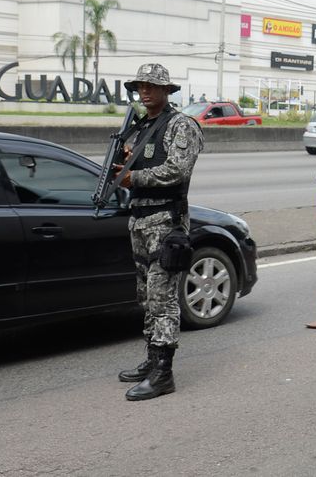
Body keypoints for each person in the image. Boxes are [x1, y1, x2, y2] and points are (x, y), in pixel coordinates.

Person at [112, 63, 205, 401]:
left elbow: (177, 170)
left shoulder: (181, 125)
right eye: (141, 86)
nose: (145, 91)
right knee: (146, 296)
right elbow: (136, 165)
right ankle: (152, 360)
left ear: (167, 90)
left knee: (162, 297)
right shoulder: (141, 127)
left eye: (152, 86)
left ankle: (164, 373)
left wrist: (131, 177)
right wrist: (125, 162)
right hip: (139, 219)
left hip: (166, 223)